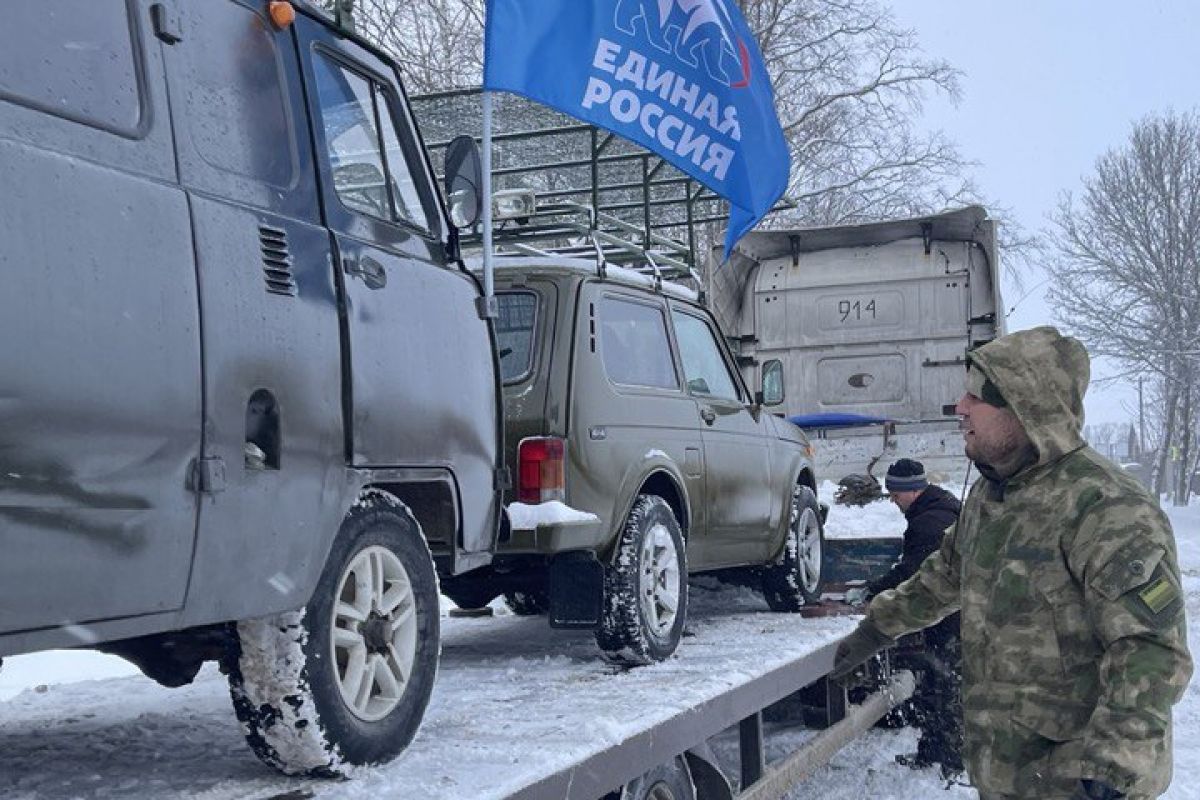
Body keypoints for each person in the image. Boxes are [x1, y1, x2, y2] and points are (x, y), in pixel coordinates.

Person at [831, 326, 1192, 800]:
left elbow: (1149, 649)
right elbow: (943, 579)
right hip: (1008, 775)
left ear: (1025, 409)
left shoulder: (1105, 507)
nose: (960, 408)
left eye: (975, 397)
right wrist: (876, 628)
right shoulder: (989, 496)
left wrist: (1110, 771)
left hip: (1076, 784)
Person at [849, 458, 964, 776]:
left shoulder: (929, 522)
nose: (893, 500)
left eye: (895, 494)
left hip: (950, 621)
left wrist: (874, 592)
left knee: (944, 689)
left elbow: (914, 574)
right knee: (946, 687)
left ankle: (948, 760)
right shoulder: (942, 508)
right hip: (957, 616)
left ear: (912, 490)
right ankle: (939, 752)